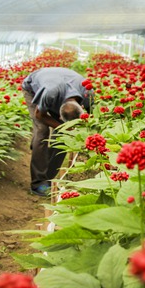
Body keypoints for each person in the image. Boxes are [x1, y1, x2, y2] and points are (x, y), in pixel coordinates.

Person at [21, 67, 92, 196]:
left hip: (61, 84)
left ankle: (49, 178)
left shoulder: (88, 94)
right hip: (34, 88)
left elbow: (92, 118)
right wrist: (62, 126)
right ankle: (38, 183)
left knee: (63, 136)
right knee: (42, 131)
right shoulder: (50, 93)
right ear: (59, 115)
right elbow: (40, 115)